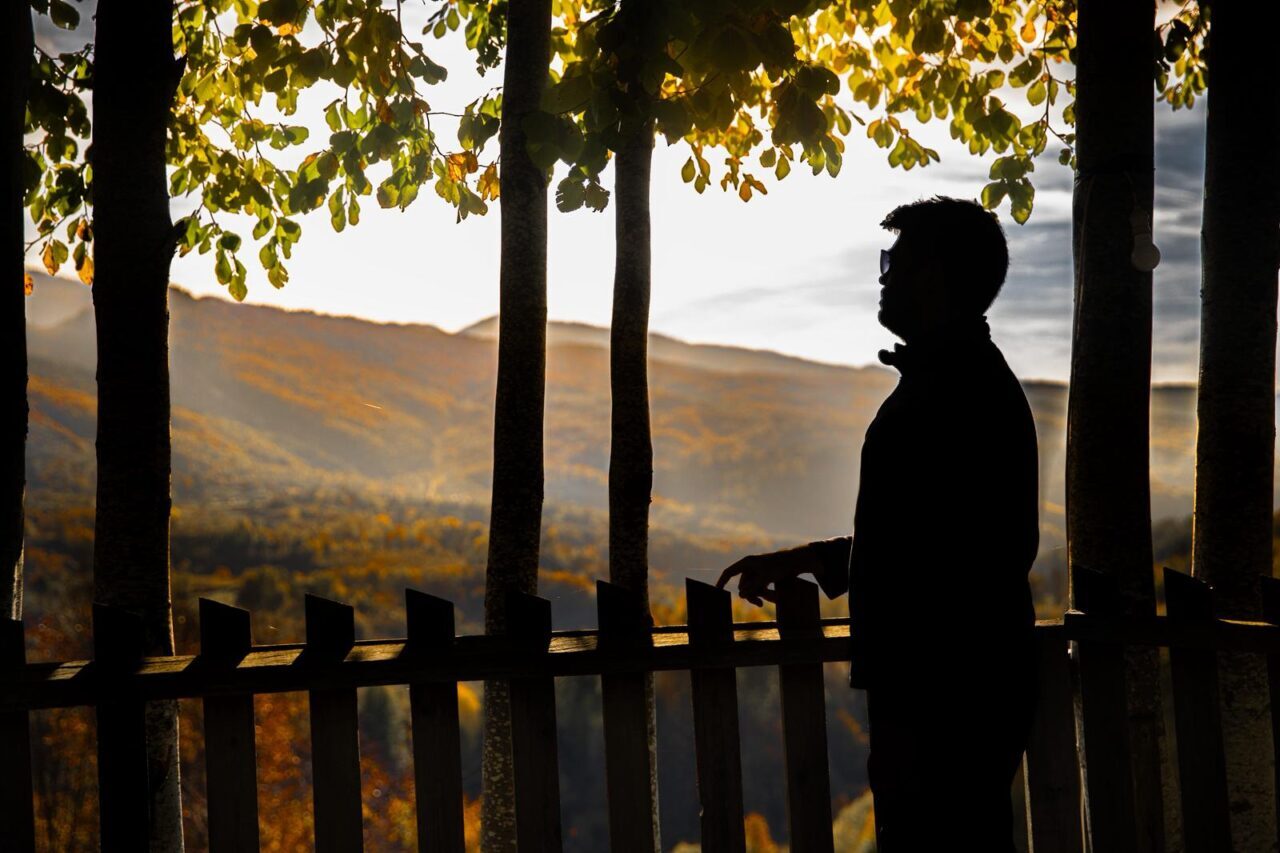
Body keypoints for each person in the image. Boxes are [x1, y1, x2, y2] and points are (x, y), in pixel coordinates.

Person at [716, 196, 1040, 852]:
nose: (883, 276)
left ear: (933, 275)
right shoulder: (954, 381)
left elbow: (973, 551)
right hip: (949, 690)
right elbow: (924, 533)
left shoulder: (958, 392)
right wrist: (813, 560)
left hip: (945, 698)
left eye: (894, 262)